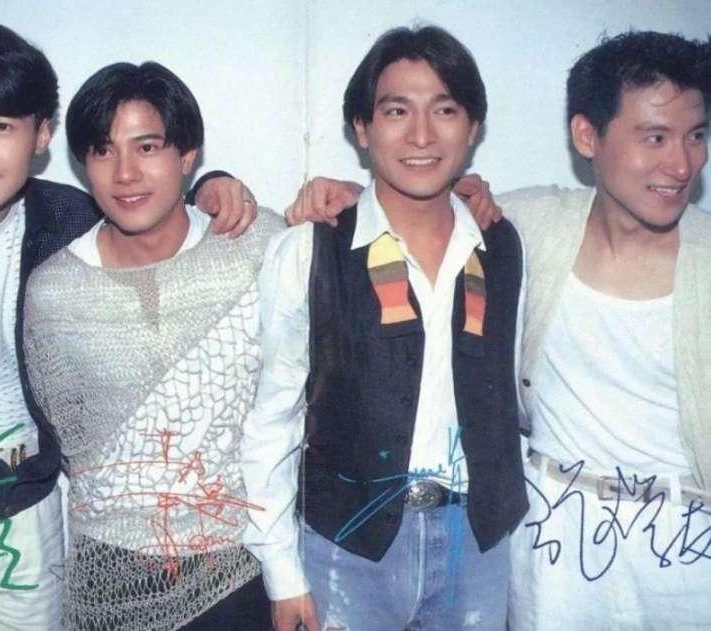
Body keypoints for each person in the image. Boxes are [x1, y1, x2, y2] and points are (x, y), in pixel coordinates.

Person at [290, 29, 711, 631]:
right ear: (587, 135)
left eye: (696, 136)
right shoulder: (532, 226)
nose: (681, 164)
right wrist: (336, 194)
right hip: (554, 546)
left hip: (689, 544)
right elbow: (417, 202)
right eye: (655, 137)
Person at [0, 22, 255, 630]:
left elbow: (152, 207)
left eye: (2, 126)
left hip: (35, 511)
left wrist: (213, 185)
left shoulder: (67, 219)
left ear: (41, 136)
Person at [241, 25, 527, 631]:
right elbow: (272, 417)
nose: (421, 135)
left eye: (444, 110)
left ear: (473, 128)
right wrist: (282, 571)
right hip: (346, 547)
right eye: (397, 111)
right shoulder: (309, 249)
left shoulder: (503, 246)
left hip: (478, 545)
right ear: (362, 128)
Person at [23, 60, 282, 630]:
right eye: (103, 150)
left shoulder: (257, 243)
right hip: (111, 570)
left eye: (147, 147)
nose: (125, 174)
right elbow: (67, 435)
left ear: (187, 155)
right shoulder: (55, 291)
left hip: (245, 564)